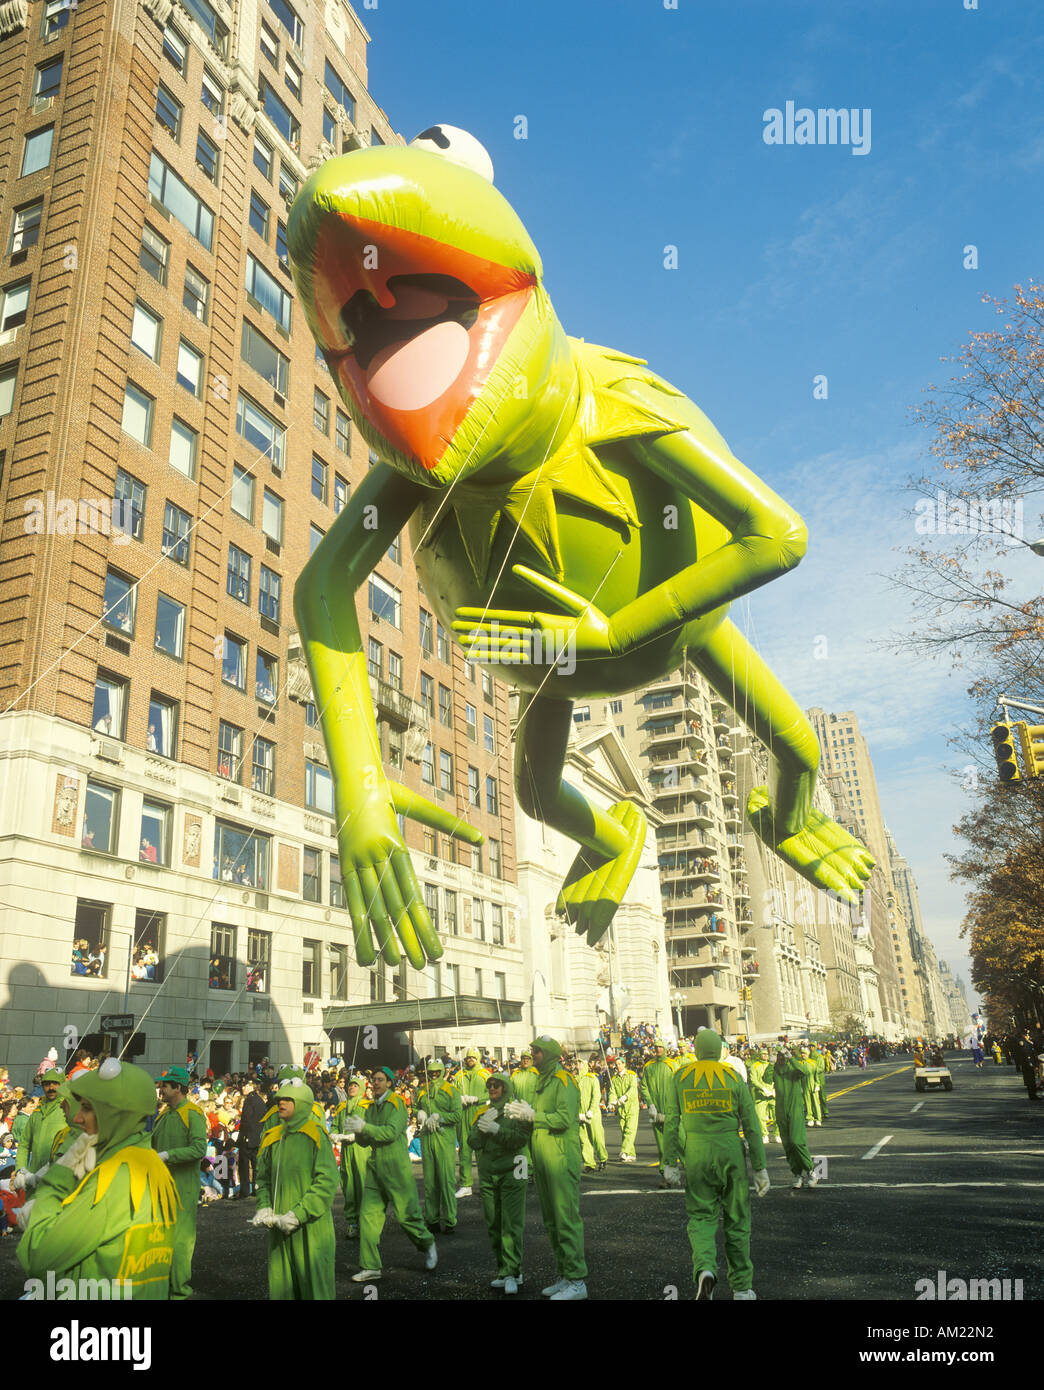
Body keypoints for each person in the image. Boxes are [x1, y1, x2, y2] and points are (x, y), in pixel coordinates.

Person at [16, 1059, 177, 1298]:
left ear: (114, 1114)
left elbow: (40, 1257)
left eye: (88, 1109)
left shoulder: (114, 1176)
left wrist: (60, 1174)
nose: (78, 1118)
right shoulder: (150, 1163)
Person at [663, 1028, 769, 1300]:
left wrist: (670, 1162)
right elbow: (752, 1125)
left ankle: (706, 1270)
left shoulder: (681, 1077)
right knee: (737, 1219)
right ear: (719, 1050)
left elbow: (672, 1123)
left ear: (697, 1049)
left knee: (701, 1218)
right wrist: (759, 1166)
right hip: (729, 1151)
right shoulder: (732, 1076)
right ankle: (742, 1288)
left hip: (697, 1154)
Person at [505, 1035, 587, 1300]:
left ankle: (577, 1281)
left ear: (549, 1055)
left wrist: (533, 1116)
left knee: (566, 1220)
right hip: (544, 1159)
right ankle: (565, 1275)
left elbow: (564, 1118)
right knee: (552, 1222)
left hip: (561, 1159)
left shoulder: (564, 1081)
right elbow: (540, 1120)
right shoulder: (543, 1081)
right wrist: (523, 1115)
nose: (532, 1056)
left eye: (537, 1052)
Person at [346, 1065, 437, 1282]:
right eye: (373, 1080)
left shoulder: (396, 1103)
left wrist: (364, 1128)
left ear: (389, 1083)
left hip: (396, 1167)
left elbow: (390, 1132)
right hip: (375, 1166)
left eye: (380, 1080)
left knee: (407, 1217)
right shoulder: (370, 1107)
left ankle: (428, 1244)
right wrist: (358, 1132)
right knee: (368, 1217)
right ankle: (370, 1266)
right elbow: (365, 1140)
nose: (375, 1083)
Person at [251, 1076, 337, 1298]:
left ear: (302, 1103)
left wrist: (298, 1214)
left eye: (288, 1099)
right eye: (280, 1098)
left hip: (312, 1229)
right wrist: (264, 1206)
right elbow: (263, 1179)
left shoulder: (316, 1134)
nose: (281, 1102)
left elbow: (326, 1181)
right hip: (278, 1227)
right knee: (282, 1289)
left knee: (315, 1290)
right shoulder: (272, 1137)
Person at [470, 1072, 531, 1295]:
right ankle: (503, 1270)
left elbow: (520, 1139)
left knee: (511, 1223)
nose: (492, 1088)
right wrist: (481, 1128)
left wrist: (496, 1129)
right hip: (489, 1173)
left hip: (513, 1169)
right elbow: (472, 1141)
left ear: (506, 1087)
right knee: (494, 1223)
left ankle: (514, 1271)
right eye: (489, 1085)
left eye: (496, 1085)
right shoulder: (482, 1111)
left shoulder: (515, 1109)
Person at [151, 1065, 207, 1299]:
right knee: (159, 1239)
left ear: (178, 1088)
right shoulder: (164, 1114)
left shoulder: (192, 1114)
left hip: (182, 1188)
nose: (161, 1088)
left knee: (181, 1243)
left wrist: (168, 1155)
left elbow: (199, 1148)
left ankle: (179, 1292)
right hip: (158, 1188)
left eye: (165, 1085)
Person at [414, 1058, 461, 1235]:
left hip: (444, 1139)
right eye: (431, 1072)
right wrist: (419, 1112)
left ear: (442, 1071)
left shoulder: (451, 1091)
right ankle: (432, 1219)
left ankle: (450, 1219)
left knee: (446, 1180)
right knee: (430, 1182)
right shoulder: (422, 1091)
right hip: (427, 1138)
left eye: (436, 1072)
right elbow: (415, 1106)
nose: (433, 1075)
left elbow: (457, 1115)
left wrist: (439, 1116)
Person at [329, 1076, 370, 1238]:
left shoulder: (368, 1106)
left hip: (362, 1149)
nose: (352, 1088)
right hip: (346, 1151)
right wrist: (334, 1134)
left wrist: (359, 1134)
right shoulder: (341, 1107)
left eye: (355, 1085)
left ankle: (366, 1221)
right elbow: (334, 1125)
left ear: (361, 1087)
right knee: (348, 1185)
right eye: (350, 1085)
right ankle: (352, 1222)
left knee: (363, 1184)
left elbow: (372, 1125)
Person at [773, 1048, 817, 1190]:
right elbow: (765, 1078)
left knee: (797, 1141)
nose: (781, 1058)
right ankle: (797, 1174)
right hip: (780, 1111)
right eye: (779, 1055)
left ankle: (811, 1171)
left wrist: (791, 1058)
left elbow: (804, 1071)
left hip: (795, 1110)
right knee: (788, 1144)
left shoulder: (793, 1070)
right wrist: (770, 1063)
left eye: (783, 1055)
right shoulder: (774, 1070)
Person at [12, 1069, 66, 1180]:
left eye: (55, 1083)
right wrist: (20, 1171)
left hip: (58, 1180)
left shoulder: (68, 1109)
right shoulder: (37, 1112)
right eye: (46, 1084)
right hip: (33, 1180)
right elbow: (24, 1144)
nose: (51, 1088)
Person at [453, 1047, 490, 1196]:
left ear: (478, 1058)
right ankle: (466, 1184)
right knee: (464, 1151)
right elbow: (453, 1092)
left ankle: (485, 1184)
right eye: (468, 1058)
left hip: (479, 1114)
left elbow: (491, 1092)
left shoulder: (485, 1075)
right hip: (463, 1115)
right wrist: (458, 1099)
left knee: (482, 1151)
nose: (470, 1060)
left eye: (473, 1057)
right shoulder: (459, 1075)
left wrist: (477, 1099)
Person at [640, 1042, 674, 1181]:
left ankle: (689, 1170)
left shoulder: (672, 1065)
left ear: (665, 1049)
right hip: (656, 1111)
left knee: (675, 1142)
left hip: (671, 1110)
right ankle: (665, 1171)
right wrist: (650, 1104)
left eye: (661, 1047)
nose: (658, 1049)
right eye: (656, 1047)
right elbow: (644, 1087)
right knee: (661, 1145)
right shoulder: (648, 1067)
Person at [607, 1054, 639, 1161]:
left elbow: (633, 1088)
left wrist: (625, 1097)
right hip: (621, 1109)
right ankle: (631, 1154)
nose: (618, 1066)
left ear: (624, 1064)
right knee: (624, 1130)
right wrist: (611, 1101)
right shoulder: (614, 1079)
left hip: (632, 1107)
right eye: (616, 1064)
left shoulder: (631, 1075)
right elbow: (612, 1092)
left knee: (629, 1130)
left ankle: (624, 1151)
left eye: (619, 1064)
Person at [578, 1055, 608, 1173]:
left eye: (580, 1063)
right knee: (584, 1140)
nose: (578, 1066)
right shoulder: (574, 1080)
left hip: (593, 1113)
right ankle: (589, 1163)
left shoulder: (592, 1079)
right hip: (580, 1114)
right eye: (577, 1064)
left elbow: (596, 1095)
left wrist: (591, 1110)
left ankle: (602, 1159)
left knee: (597, 1137)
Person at [747, 1047, 778, 1144]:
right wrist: (763, 1088)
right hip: (760, 1095)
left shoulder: (771, 1065)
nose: (765, 1056)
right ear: (759, 1055)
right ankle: (765, 1134)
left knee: (777, 1116)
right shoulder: (754, 1066)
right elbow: (753, 1080)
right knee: (760, 1117)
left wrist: (774, 1089)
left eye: (766, 1054)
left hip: (772, 1095)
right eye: (763, 1054)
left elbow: (776, 1078)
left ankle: (777, 1134)